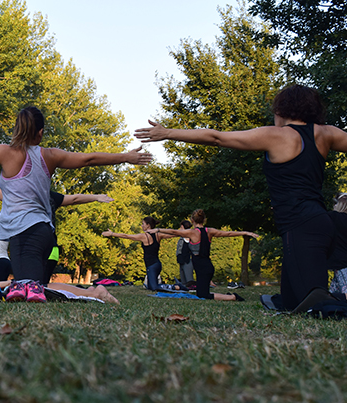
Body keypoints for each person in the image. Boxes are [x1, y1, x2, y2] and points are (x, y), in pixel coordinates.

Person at [0, 106, 151, 302]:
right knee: (29, 287)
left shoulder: (7, 153)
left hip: (26, 233)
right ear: (40, 132)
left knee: (31, 288)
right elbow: (89, 158)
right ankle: (90, 293)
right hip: (44, 232)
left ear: (17, 129)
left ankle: (93, 293)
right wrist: (125, 157)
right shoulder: (50, 155)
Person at [136, 84, 347, 310]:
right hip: (318, 224)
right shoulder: (327, 133)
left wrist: (168, 133)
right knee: (290, 302)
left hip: (302, 228)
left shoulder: (276, 135)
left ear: (282, 110)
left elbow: (217, 138)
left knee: (316, 303)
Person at [0, 181, 113, 282]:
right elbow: (75, 199)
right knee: (42, 285)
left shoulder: (21, 196)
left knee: (30, 285)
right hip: (52, 247)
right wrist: (96, 196)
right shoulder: (51, 196)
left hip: (30, 247)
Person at [149, 209, 258, 301]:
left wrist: (157, 230)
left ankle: (233, 297)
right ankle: (229, 296)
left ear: (192, 220)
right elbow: (228, 233)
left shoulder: (192, 232)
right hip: (206, 266)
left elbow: (173, 231)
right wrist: (246, 232)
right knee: (200, 293)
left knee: (203, 295)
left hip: (202, 268)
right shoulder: (210, 231)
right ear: (204, 220)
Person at [101, 217, 174, 291]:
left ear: (148, 225)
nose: (142, 226)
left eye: (143, 224)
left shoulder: (144, 236)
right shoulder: (158, 235)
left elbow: (126, 236)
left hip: (152, 266)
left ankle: (175, 287)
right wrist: (182, 232)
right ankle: (171, 286)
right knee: (149, 287)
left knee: (154, 288)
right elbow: (173, 234)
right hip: (156, 264)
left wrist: (112, 234)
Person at [176, 220, 194, 285]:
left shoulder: (191, 237)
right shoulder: (181, 238)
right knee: (183, 280)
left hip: (188, 260)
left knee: (189, 279)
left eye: (181, 227)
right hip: (181, 260)